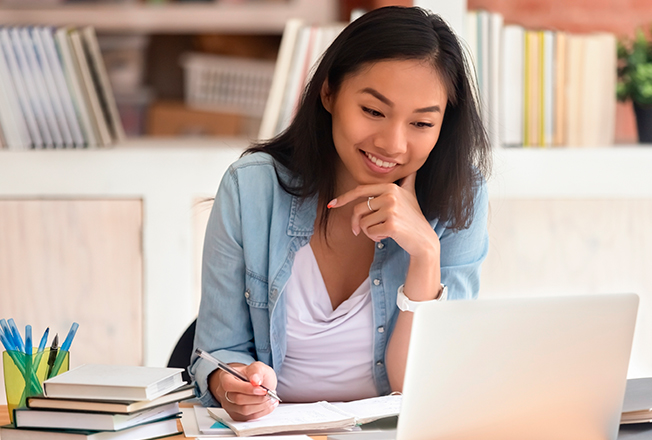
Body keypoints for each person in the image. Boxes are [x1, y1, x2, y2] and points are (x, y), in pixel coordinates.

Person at [190, 5, 491, 422]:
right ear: (328, 93)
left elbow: (422, 388)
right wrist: (234, 384)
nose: (393, 144)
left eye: (421, 124)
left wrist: (426, 254)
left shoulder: (461, 197)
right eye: (372, 111)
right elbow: (217, 351)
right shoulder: (252, 188)